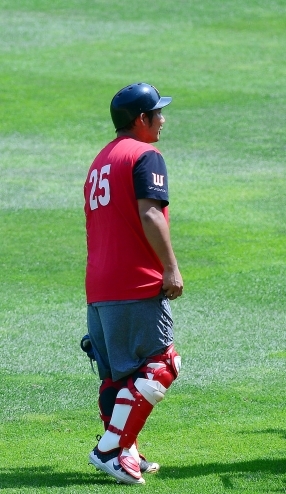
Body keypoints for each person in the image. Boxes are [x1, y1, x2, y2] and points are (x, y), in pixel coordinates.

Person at [84, 82, 183, 484]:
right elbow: (150, 215)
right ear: (140, 120)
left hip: (100, 287)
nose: (162, 119)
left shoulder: (99, 162)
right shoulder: (145, 155)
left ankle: (126, 450)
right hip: (136, 283)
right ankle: (109, 448)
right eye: (157, 113)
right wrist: (170, 268)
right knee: (162, 365)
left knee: (120, 376)